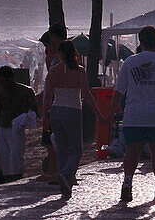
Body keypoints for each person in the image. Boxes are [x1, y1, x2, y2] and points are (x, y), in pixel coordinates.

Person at [112, 26, 155, 203]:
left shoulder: (129, 62)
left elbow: (119, 90)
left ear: (140, 42)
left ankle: (127, 183)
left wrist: (111, 111)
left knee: (131, 152)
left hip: (133, 115)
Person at [43, 40, 107, 198]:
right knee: (76, 149)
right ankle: (66, 174)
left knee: (62, 149)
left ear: (59, 53)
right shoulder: (79, 71)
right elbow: (86, 94)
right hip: (73, 111)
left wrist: (45, 115)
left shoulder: (53, 71)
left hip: (57, 111)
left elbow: (47, 97)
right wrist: (98, 114)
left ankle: (65, 181)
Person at [0, 65, 38, 181]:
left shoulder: (26, 92)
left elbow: (34, 111)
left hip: (16, 129)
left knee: (16, 157)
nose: (2, 83)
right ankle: (8, 180)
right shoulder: (1, 95)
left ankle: (16, 179)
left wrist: (25, 119)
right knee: (3, 158)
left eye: (3, 80)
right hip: (2, 129)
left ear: (10, 78)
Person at [37, 24, 66, 183]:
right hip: (63, 101)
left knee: (51, 139)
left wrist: (45, 108)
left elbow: (51, 83)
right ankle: (55, 169)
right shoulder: (66, 56)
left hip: (56, 102)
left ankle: (54, 170)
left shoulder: (54, 59)